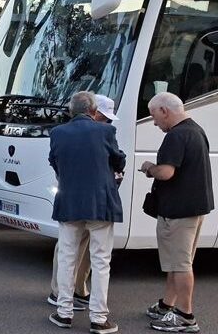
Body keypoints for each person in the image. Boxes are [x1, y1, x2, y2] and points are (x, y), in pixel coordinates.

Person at [47, 91, 125, 334]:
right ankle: (99, 318)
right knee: (101, 260)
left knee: (67, 257)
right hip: (100, 202)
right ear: (93, 110)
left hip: (68, 201)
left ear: (71, 110)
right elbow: (119, 161)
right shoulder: (106, 131)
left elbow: (54, 161)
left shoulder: (57, 132)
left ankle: (64, 313)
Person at [141, 92, 213, 333]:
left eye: (154, 116)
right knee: (178, 261)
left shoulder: (176, 135)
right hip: (194, 207)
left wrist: (149, 168)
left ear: (164, 111)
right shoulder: (196, 130)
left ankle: (185, 316)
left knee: (181, 264)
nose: (154, 122)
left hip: (178, 210)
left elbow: (166, 172)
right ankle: (167, 305)